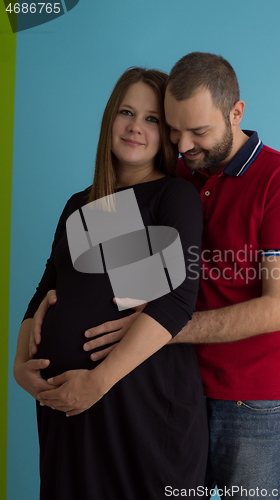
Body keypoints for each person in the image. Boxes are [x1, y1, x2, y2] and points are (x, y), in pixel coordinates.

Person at [29, 53, 280, 499]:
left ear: (236, 112)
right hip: (180, 389)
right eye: (175, 130)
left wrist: (158, 327)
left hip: (254, 402)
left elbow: (278, 310)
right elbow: (85, 268)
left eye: (198, 132)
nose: (183, 146)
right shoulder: (175, 176)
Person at [13, 67, 208, 500]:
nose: (136, 126)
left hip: (141, 410)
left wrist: (96, 383)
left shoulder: (172, 197)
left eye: (152, 118)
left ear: (168, 134)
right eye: (126, 111)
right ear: (109, 120)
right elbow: (47, 286)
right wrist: (18, 368)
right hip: (67, 413)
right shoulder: (79, 205)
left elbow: (176, 302)